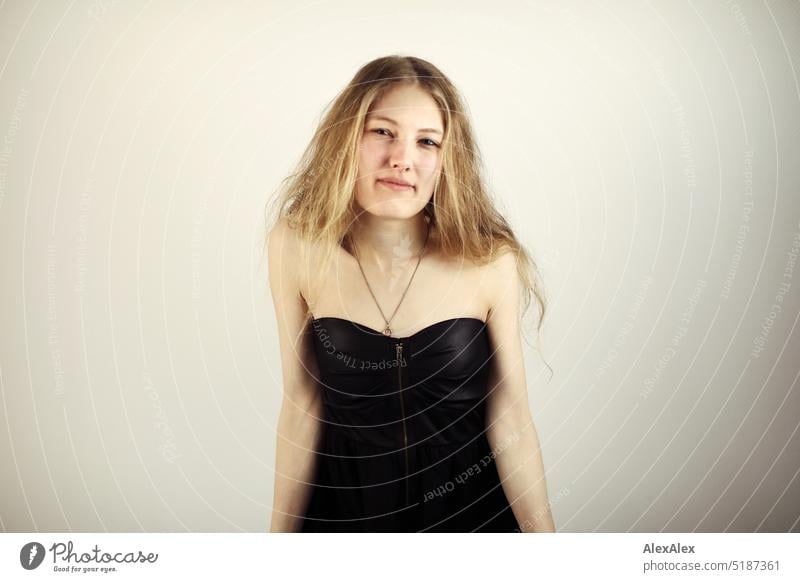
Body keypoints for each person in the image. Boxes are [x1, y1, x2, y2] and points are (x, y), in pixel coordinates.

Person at [265, 55, 555, 532]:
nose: (403, 158)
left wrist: (550, 551)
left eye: (427, 141)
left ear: (447, 159)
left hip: (471, 524)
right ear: (347, 139)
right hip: (343, 522)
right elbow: (302, 403)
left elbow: (512, 417)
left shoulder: (488, 258)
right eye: (383, 132)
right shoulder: (296, 246)